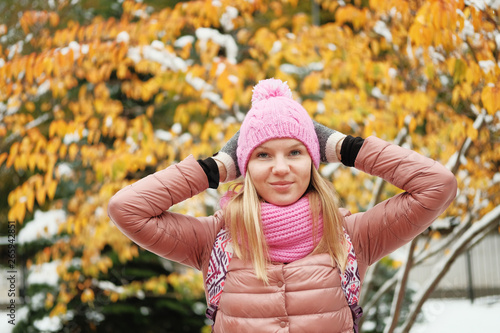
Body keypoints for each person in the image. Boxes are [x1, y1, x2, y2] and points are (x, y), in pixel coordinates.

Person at [107, 79, 457, 332]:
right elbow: (127, 208)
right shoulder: (214, 240)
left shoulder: (352, 235)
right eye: (262, 155)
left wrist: (343, 146)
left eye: (295, 151)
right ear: (245, 166)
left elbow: (436, 185)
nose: (280, 168)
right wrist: (217, 167)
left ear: (313, 159)